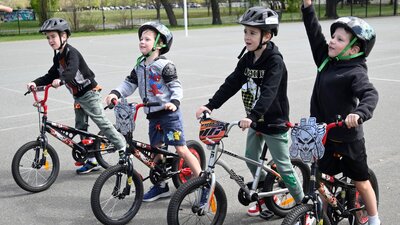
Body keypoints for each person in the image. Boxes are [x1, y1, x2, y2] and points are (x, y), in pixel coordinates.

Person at [195, 7, 304, 218]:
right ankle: (264, 193)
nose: (247, 37)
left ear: (267, 35)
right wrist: (210, 105)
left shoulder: (275, 61)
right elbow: (232, 82)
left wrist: (252, 116)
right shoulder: (248, 59)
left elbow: (270, 92)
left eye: (253, 33)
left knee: (284, 168)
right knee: (251, 159)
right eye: (245, 32)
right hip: (254, 122)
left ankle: (303, 205)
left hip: (273, 122)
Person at [301, 0, 380, 224]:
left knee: (361, 181)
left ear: (354, 49)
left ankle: (374, 219)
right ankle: (321, 217)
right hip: (323, 134)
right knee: (322, 179)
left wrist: (360, 113)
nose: (331, 41)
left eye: (339, 39)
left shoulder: (355, 71)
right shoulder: (325, 61)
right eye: (332, 36)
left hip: (347, 137)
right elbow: (314, 33)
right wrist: (308, 7)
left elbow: (369, 94)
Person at [105, 21, 202, 202]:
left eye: (147, 39)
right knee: (156, 151)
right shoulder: (140, 65)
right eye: (141, 38)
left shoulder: (165, 65)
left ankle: (202, 182)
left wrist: (173, 102)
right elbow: (129, 84)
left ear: (159, 44)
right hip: (153, 116)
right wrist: (115, 93)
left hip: (169, 114)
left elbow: (176, 86)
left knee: (180, 149)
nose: (142, 41)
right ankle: (161, 186)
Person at [26, 18, 126, 174]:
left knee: (102, 123)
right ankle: (92, 161)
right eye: (48, 37)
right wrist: (35, 82)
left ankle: (123, 148)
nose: (50, 40)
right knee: (81, 128)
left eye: (53, 36)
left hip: (90, 94)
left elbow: (71, 71)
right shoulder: (58, 57)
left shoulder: (72, 53)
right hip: (78, 97)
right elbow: (51, 74)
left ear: (64, 36)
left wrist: (61, 80)